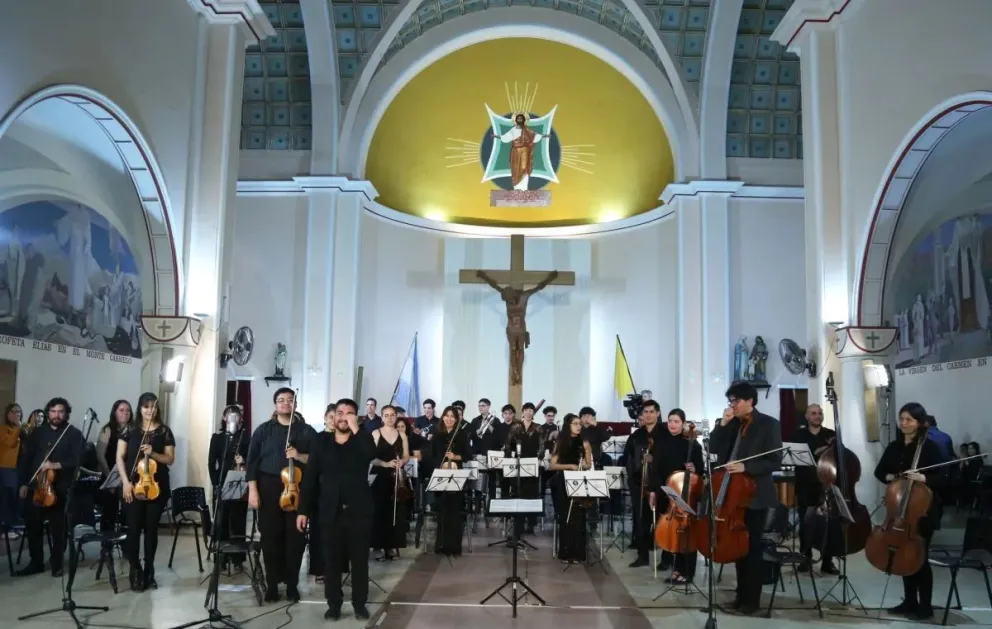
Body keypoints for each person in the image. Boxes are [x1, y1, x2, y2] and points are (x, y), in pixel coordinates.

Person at [708, 381, 783, 615]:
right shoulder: (733, 425)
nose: (732, 405)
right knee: (739, 549)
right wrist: (722, 424)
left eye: (735, 401)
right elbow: (714, 449)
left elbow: (774, 461)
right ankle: (741, 597)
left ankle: (752, 602)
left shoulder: (769, 424)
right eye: (730, 401)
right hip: (734, 495)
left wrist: (746, 467)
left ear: (749, 401)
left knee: (752, 550)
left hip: (756, 495)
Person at [298, 398, 376, 621]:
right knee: (331, 562)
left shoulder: (362, 439)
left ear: (356, 417)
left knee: (359, 561)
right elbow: (311, 476)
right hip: (329, 511)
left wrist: (356, 429)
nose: (343, 417)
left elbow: (370, 453)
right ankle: (334, 604)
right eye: (340, 413)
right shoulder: (321, 441)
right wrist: (303, 510)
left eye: (349, 413)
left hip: (359, 511)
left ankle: (360, 603)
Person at [874, 403, 946, 621]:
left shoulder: (930, 448)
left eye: (910, 420)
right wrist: (892, 478)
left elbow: (946, 478)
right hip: (900, 510)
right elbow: (879, 472)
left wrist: (924, 478)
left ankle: (925, 606)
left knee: (920, 559)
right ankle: (909, 601)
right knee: (903, 556)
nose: (904, 423)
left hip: (923, 510)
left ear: (919, 423)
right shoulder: (894, 447)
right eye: (902, 418)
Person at [246, 387, 317, 603]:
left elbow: (318, 460)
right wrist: (253, 490)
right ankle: (273, 584)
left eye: (289, 400)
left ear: (295, 404)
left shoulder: (306, 431)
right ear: (275, 405)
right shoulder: (263, 430)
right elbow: (252, 462)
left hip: (297, 487)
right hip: (268, 486)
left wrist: (300, 455)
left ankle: (292, 584)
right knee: (270, 537)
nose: (285, 403)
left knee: (295, 538)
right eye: (281, 400)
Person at [15, 397, 85, 577]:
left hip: (60, 488)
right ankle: (36, 562)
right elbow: (26, 459)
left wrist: (56, 465)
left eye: (60, 412)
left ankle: (57, 563)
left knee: (58, 528)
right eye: (53, 411)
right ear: (48, 413)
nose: (56, 415)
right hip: (36, 486)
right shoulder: (38, 433)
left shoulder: (73, 434)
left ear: (66, 413)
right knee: (33, 526)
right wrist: (24, 482)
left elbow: (78, 460)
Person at [117, 392, 176, 591]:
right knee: (133, 530)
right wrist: (126, 483)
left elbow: (170, 459)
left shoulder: (164, 431)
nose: (150, 410)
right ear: (140, 408)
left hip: (157, 487)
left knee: (151, 531)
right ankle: (135, 570)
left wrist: (154, 453)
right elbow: (119, 457)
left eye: (153, 407)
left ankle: (149, 570)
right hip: (132, 486)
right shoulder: (130, 429)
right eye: (146, 407)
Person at [650, 408, 704, 584]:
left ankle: (687, 571)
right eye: (670, 421)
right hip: (665, 492)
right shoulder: (661, 441)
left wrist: (694, 470)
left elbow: (701, 471)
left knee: (687, 532)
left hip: (685, 495)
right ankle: (676, 568)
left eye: (676, 421)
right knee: (673, 532)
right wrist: (653, 491)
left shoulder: (692, 444)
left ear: (683, 424)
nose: (672, 424)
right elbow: (655, 469)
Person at [790, 403, 838, 574]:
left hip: (826, 484)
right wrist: (815, 451)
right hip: (805, 484)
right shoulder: (798, 435)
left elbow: (839, 457)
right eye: (813, 413)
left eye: (820, 413)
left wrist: (830, 449)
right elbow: (794, 458)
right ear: (807, 417)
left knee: (829, 523)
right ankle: (806, 557)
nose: (817, 416)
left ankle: (827, 560)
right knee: (806, 523)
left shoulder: (831, 435)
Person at [624, 400, 666, 568]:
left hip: (660, 484)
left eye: (651, 411)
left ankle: (666, 559)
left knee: (663, 521)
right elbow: (627, 458)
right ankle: (642, 556)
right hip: (639, 484)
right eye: (645, 412)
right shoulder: (636, 435)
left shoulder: (664, 433)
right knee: (641, 522)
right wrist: (633, 480)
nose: (648, 415)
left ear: (657, 413)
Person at [208, 404, 250, 570]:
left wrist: (244, 461)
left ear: (240, 419)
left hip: (239, 480)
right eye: (229, 414)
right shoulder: (217, 438)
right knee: (221, 521)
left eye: (236, 415)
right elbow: (212, 463)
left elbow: (252, 459)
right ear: (224, 418)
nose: (233, 417)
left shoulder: (246, 437)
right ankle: (221, 557)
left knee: (238, 520)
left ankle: (238, 558)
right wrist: (215, 483)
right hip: (222, 480)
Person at [549, 413, 592, 561]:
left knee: (578, 517)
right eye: (575, 423)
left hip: (579, 481)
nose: (579, 426)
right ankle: (565, 553)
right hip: (562, 481)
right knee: (565, 516)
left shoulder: (585, 443)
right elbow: (552, 465)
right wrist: (570, 466)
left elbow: (588, 464)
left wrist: (581, 466)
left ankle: (578, 553)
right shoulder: (560, 441)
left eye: (580, 423)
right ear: (568, 425)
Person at [370, 405, 410, 560]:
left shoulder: (402, 434)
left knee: (395, 511)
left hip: (396, 476)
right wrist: (385, 464)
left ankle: (391, 546)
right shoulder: (375, 433)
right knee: (379, 510)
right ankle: (378, 545)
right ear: (382, 417)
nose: (390, 418)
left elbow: (406, 455)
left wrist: (402, 462)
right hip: (380, 476)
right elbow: (371, 458)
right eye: (386, 415)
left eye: (392, 415)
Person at [428, 406, 469, 556]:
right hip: (440, 474)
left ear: (456, 419)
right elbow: (431, 455)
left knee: (455, 512)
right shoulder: (437, 434)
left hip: (456, 474)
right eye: (447, 416)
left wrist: (455, 457)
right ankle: (441, 545)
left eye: (453, 416)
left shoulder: (462, 434)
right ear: (443, 417)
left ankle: (454, 547)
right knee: (442, 512)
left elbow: (467, 455)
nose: (449, 419)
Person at [505, 402, 543, 534]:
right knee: (518, 492)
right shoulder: (516, 427)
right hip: (518, 462)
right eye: (526, 410)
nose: (528, 413)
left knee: (531, 494)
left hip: (532, 463)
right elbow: (508, 444)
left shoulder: (538, 428)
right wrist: (510, 458)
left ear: (533, 413)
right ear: (522, 412)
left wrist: (539, 460)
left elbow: (542, 446)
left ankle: (531, 525)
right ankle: (518, 525)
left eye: (531, 411)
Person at [95, 400, 131, 533]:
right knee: (110, 511)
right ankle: (107, 547)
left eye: (128, 410)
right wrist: (110, 479)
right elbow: (100, 455)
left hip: (128, 476)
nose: (125, 413)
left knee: (127, 513)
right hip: (110, 475)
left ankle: (126, 546)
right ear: (114, 412)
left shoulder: (133, 430)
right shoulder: (107, 429)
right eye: (121, 410)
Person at [0, 403, 23, 531]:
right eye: (13, 411)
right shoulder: (3, 429)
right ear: (7, 414)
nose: (16, 414)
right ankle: (6, 529)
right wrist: (18, 427)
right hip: (7, 468)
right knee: (7, 498)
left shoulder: (23, 428)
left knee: (18, 498)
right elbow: (11, 442)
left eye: (18, 411)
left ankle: (15, 525)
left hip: (21, 467)